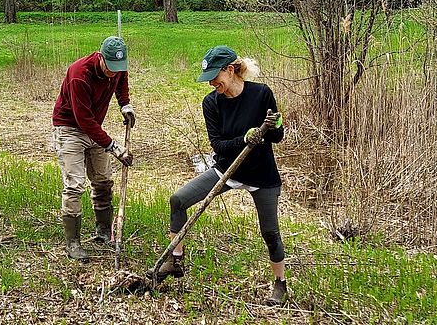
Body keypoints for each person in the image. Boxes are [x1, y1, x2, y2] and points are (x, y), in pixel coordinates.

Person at [154, 45, 288, 306]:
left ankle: (280, 283)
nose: (211, 83)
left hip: (262, 175)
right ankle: (175, 260)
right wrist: (244, 139)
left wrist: (274, 126)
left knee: (270, 232)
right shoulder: (211, 102)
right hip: (226, 170)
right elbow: (217, 145)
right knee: (178, 200)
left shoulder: (261, 94)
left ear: (230, 70)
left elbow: (278, 137)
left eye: (214, 77)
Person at [52, 36, 136, 262]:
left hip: (94, 127)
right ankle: (73, 243)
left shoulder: (118, 68)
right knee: (74, 185)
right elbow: (84, 120)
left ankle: (103, 231)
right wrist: (114, 147)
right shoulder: (79, 75)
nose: (113, 73)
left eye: (118, 68)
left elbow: (122, 80)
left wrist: (125, 105)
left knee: (103, 180)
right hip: (70, 128)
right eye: (110, 68)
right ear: (100, 57)